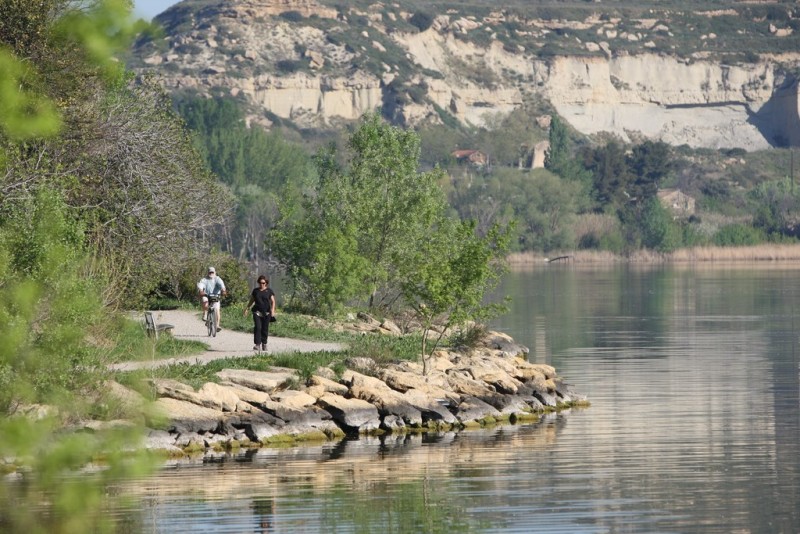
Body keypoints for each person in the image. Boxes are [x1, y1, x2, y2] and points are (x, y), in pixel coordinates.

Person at [243, 275, 276, 351]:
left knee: (265, 329)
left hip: (267, 313)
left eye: (264, 283)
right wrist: (247, 308)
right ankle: (257, 344)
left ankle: (264, 344)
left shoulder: (269, 291)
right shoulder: (255, 291)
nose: (262, 284)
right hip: (257, 312)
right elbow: (251, 301)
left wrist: (272, 310)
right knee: (258, 327)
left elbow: (273, 301)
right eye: (260, 283)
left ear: (266, 283)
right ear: (258, 283)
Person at [197, 266, 227, 331]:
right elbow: (201, 285)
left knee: (217, 310)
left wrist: (223, 291)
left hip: (216, 296)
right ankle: (205, 313)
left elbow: (222, 286)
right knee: (205, 303)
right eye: (210, 272)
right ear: (208, 272)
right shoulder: (204, 279)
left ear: (215, 272)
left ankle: (217, 325)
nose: (211, 273)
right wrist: (201, 291)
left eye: (212, 272)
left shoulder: (217, 279)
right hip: (206, 295)